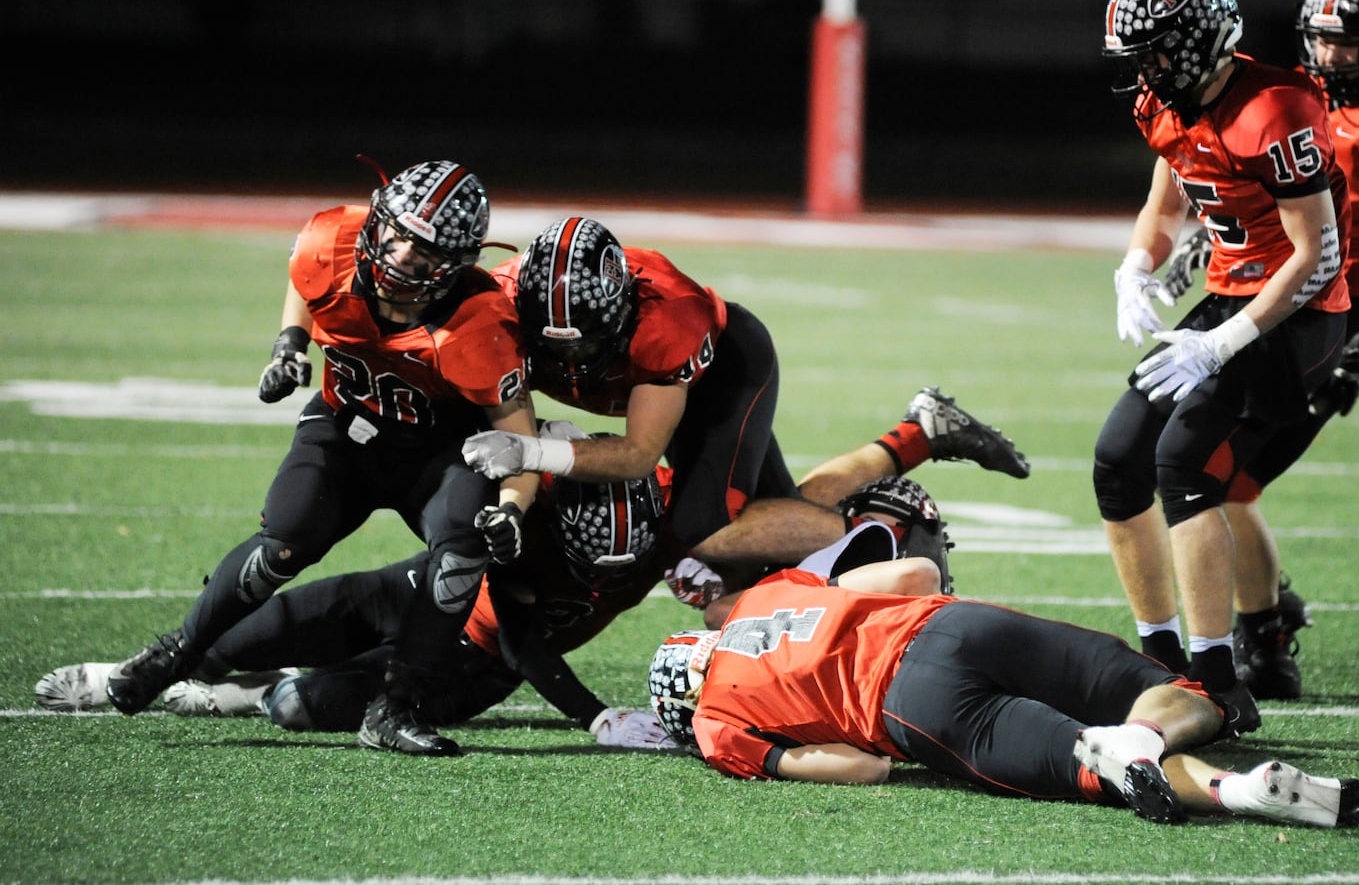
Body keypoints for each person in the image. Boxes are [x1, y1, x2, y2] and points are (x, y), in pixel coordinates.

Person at [43, 424, 951, 740]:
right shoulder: (528, 515)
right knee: (253, 630)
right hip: (433, 605)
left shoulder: (667, 521)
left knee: (292, 706)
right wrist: (592, 712)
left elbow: (766, 491)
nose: (612, 564)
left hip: (470, 670)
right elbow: (525, 628)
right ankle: (128, 671)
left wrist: (899, 449)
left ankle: (231, 701)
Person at [100, 159, 543, 757]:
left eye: (423, 252)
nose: (400, 256)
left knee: (463, 551)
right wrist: (289, 344)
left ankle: (395, 708)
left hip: (438, 456)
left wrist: (513, 507)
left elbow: (519, 440)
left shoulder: (479, 325)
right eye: (396, 235)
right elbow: (306, 282)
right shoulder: (331, 241)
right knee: (283, 540)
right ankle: (174, 654)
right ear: (378, 219)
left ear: (456, 265)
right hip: (346, 431)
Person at [1158, 0, 1359, 699]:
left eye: (1352, 44)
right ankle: (1264, 629)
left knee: (1223, 480)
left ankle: (1262, 634)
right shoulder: (1295, 100)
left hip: (1338, 317)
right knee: (1225, 482)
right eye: (1324, 40)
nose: (1333, 57)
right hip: (1271, 298)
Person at [645, 530, 1359, 829]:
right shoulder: (764, 598)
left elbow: (861, 768)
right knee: (1176, 696)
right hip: (955, 626)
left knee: (1097, 766)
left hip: (912, 707)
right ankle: (1185, 757)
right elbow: (914, 571)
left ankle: (1222, 787)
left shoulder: (713, 724)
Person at [460, 214, 1029, 577]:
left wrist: (533, 453)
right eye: (555, 345)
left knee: (703, 531)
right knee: (769, 516)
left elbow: (637, 455)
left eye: (586, 345)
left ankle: (893, 545)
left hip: (722, 377)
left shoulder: (668, 317)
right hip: (650, 387)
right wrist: (513, 501)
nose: (569, 361)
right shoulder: (498, 314)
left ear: (624, 304)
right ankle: (919, 434)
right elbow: (512, 434)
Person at [1092, 0, 1352, 733]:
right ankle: (1163, 660)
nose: (1145, 69)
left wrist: (1226, 340)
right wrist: (1140, 266)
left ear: (1203, 38)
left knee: (1185, 465)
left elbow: (1318, 256)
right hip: (1231, 296)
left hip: (1298, 318)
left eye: (1158, 50)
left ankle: (1216, 681)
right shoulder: (1163, 103)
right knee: (1116, 460)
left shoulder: (1276, 109)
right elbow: (1165, 203)